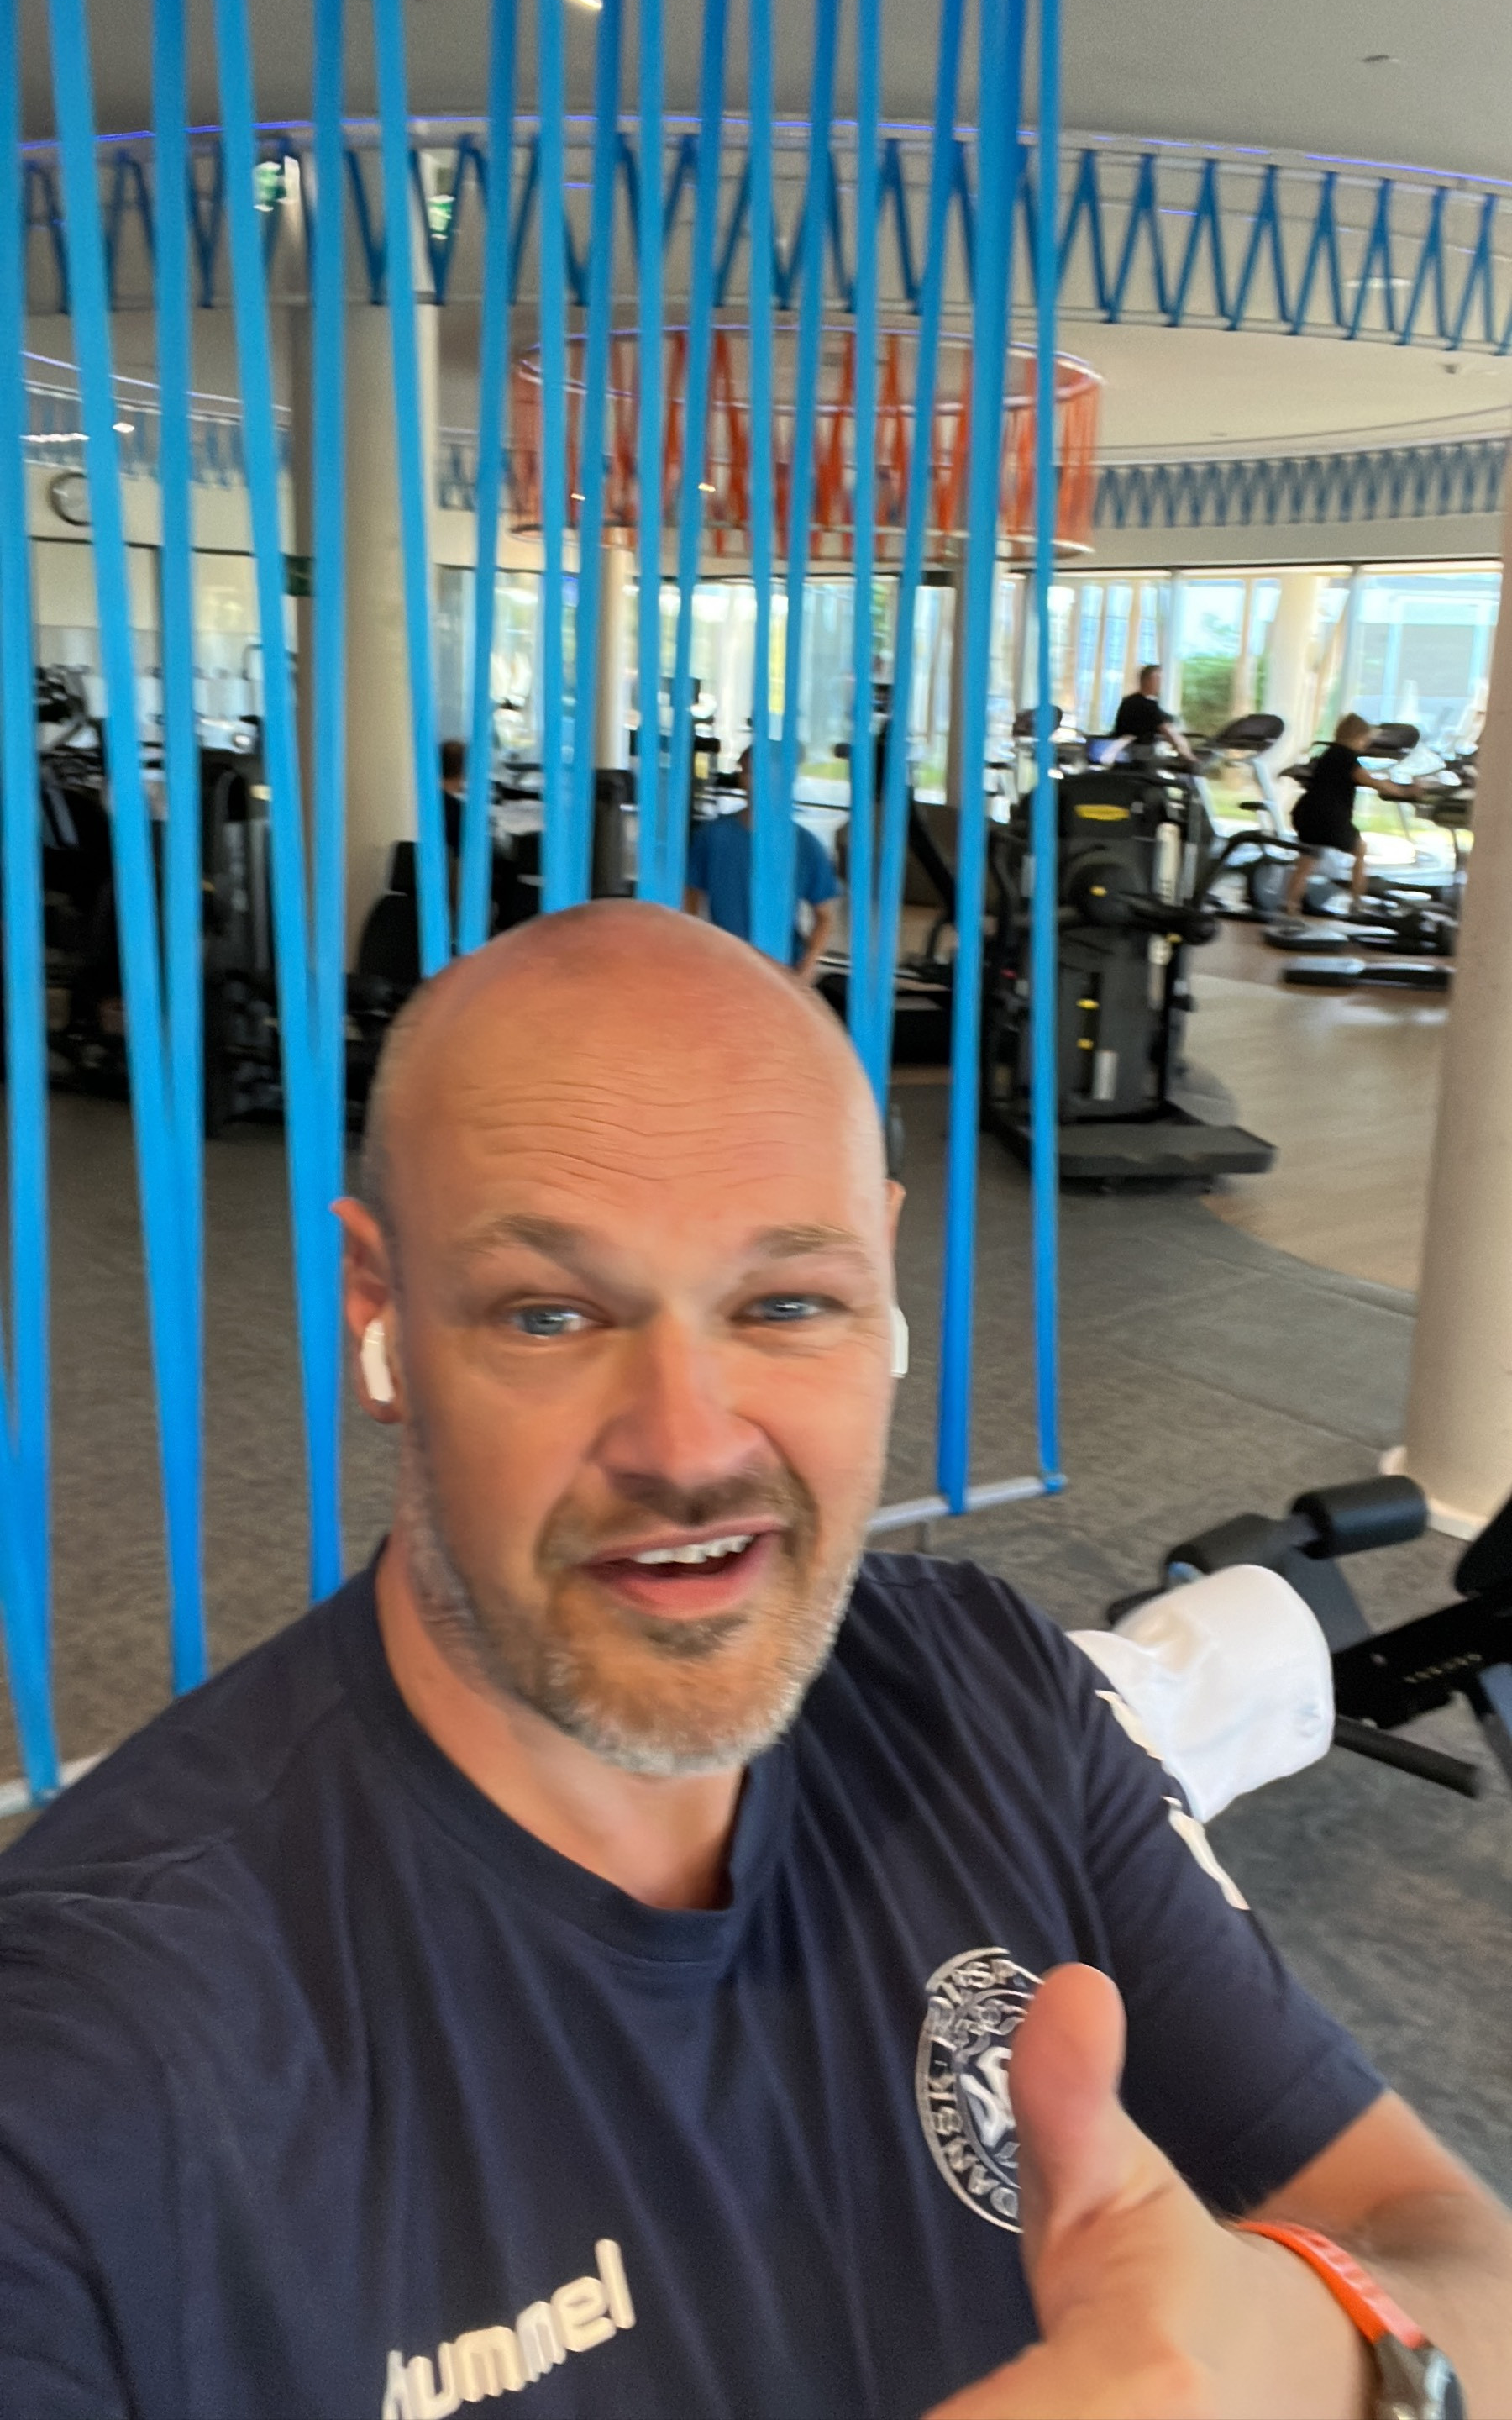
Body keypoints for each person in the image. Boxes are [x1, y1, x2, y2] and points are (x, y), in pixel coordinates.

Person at [1, 906, 1509, 2420]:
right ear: (379, 1309)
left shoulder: (985, 1685)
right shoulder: (89, 2059)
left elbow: (1453, 2245)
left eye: (788, 1303)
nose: (689, 1445)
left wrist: (1340, 2355)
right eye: (551, 1313)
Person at [684, 743, 839, 980]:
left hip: (782, 968)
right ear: (741, 776)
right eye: (750, 772)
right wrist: (698, 951)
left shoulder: (805, 845)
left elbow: (825, 916)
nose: (758, 782)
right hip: (726, 965)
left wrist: (805, 971)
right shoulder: (712, 837)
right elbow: (690, 899)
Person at [1284, 712, 1423, 918]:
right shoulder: (1348, 758)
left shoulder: (1329, 754)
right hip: (1329, 819)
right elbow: (1372, 782)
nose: (1366, 744)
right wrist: (1407, 791)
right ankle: (1357, 903)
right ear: (1358, 737)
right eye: (1365, 739)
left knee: (1306, 861)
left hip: (1306, 814)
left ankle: (1290, 908)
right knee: (1360, 849)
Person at [1111, 660, 1198, 765]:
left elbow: (1163, 722)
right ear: (1147, 680)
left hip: (1125, 755)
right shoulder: (1146, 705)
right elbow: (1169, 734)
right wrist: (1190, 758)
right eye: (1158, 679)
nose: (1160, 684)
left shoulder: (1130, 701)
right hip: (1137, 758)